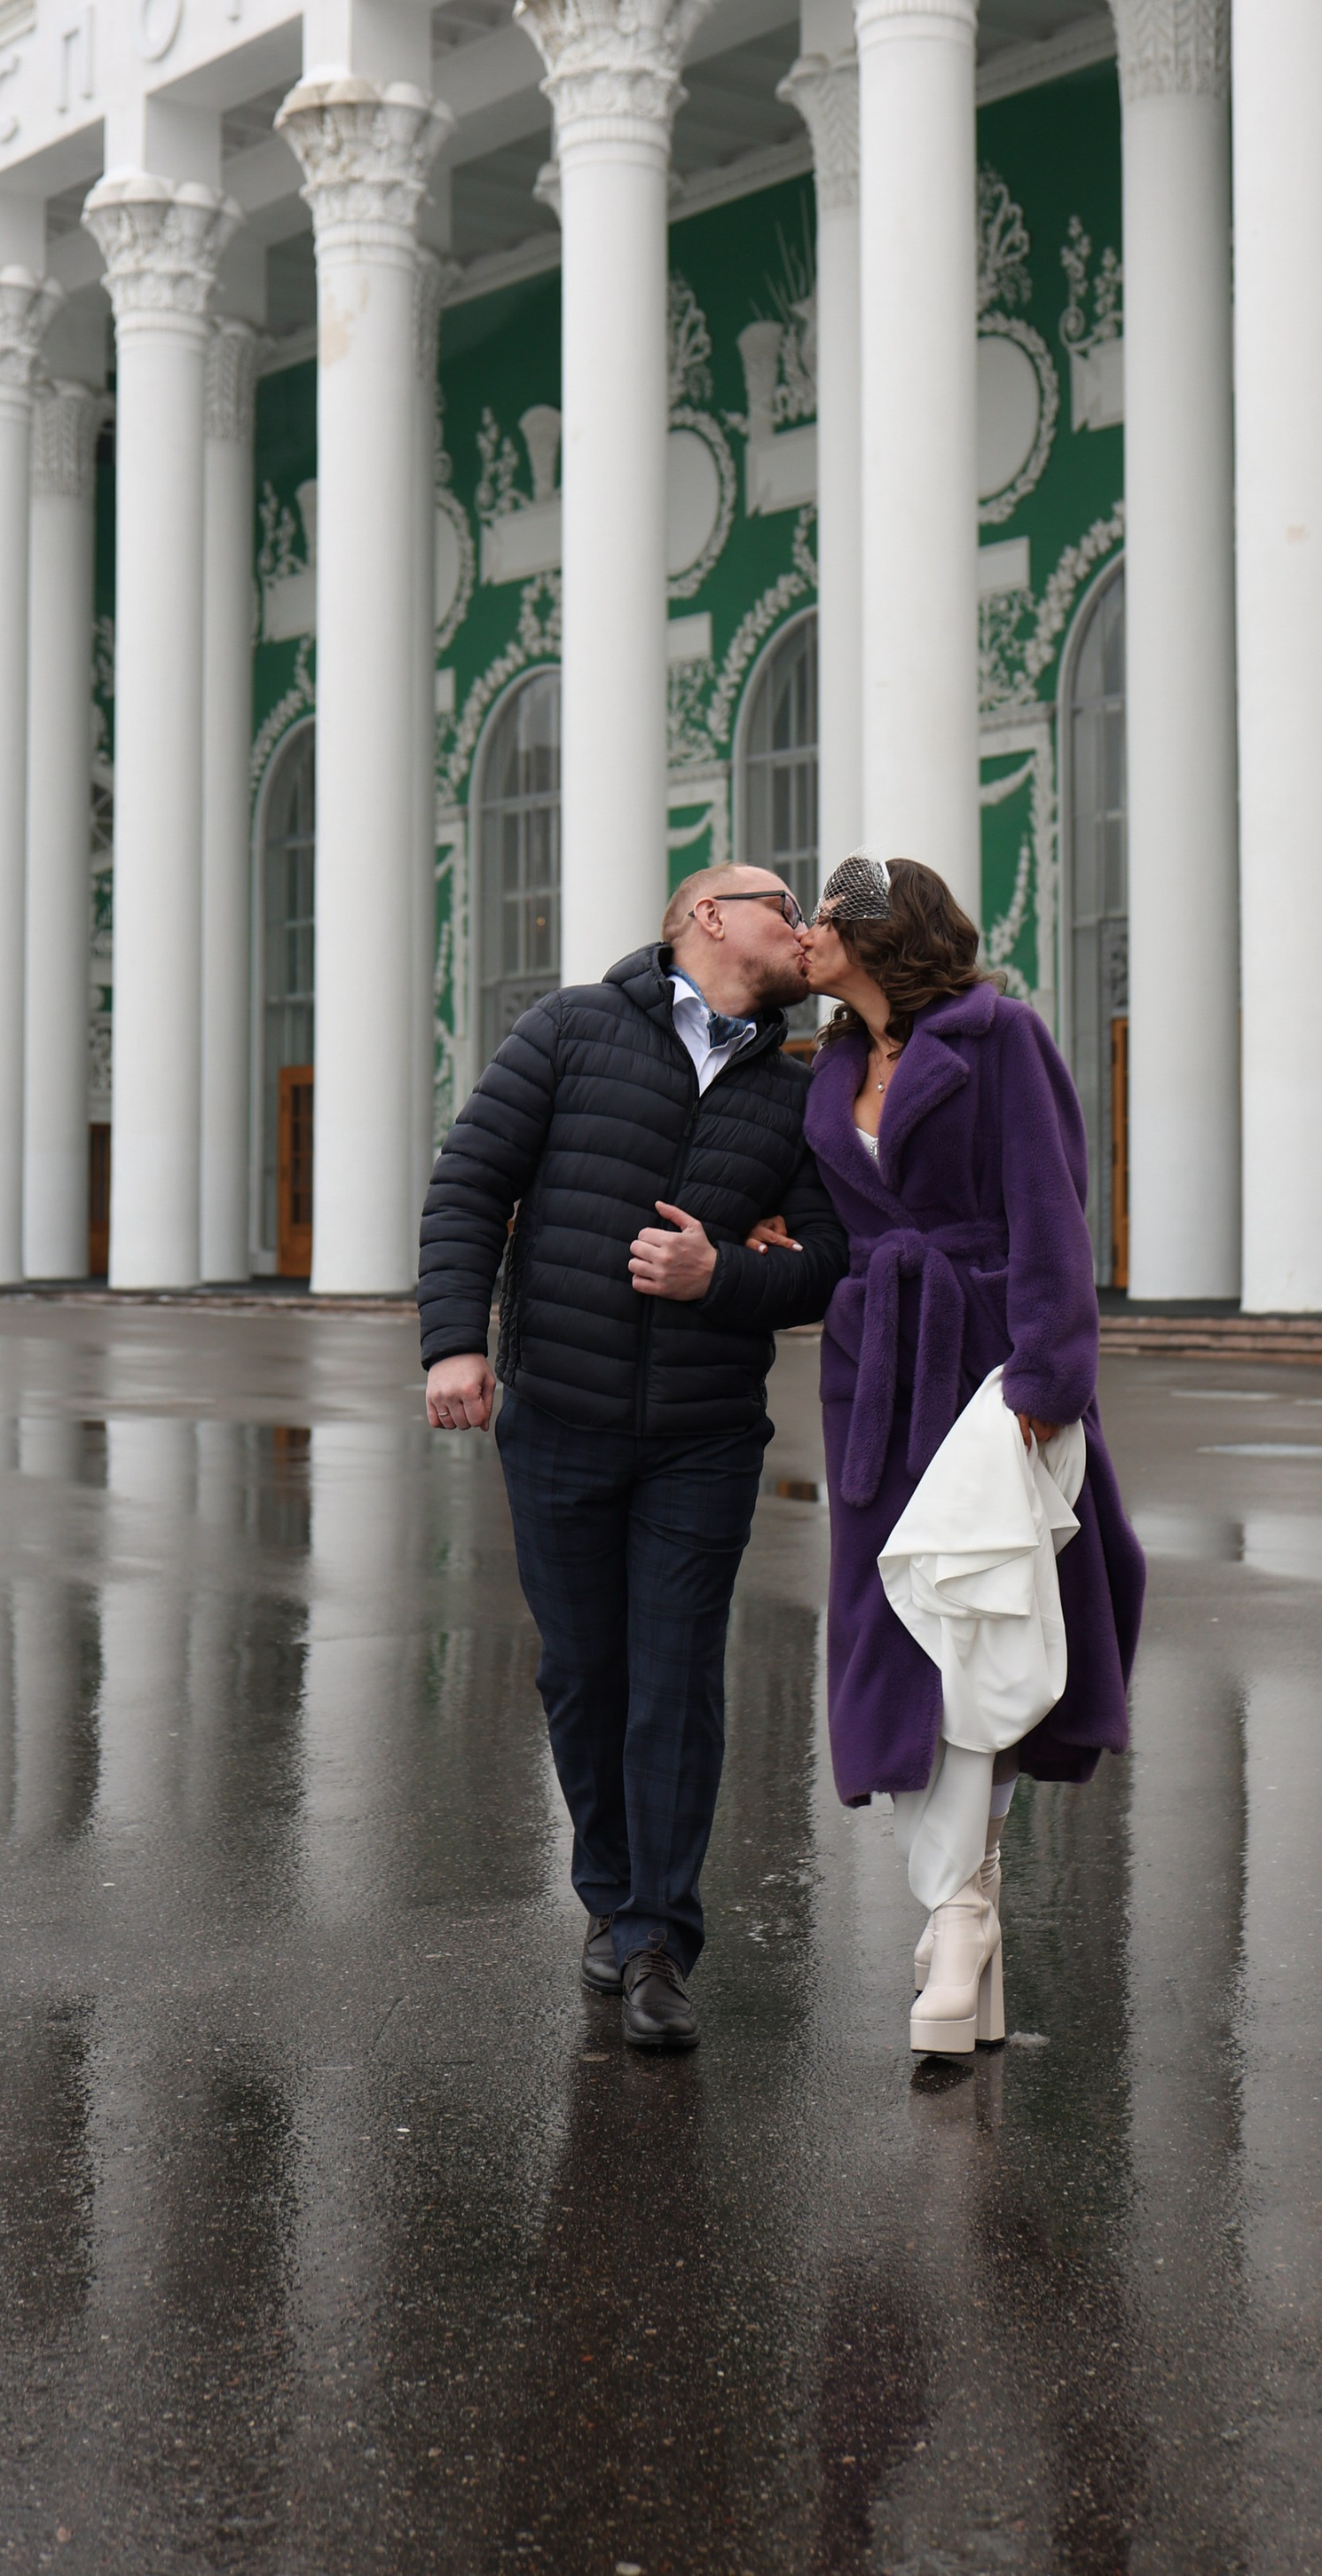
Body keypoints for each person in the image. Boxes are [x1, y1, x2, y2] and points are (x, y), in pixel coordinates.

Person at [417, 868, 848, 2052]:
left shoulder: (796, 1090)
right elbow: (470, 1182)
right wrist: (456, 1342)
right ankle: (609, 1894)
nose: (802, 926)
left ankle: (658, 1937)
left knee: (674, 1679)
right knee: (584, 1673)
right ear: (708, 914)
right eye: (783, 903)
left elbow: (829, 1260)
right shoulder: (572, 1029)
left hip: (704, 1438)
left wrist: (727, 1277)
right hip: (559, 1416)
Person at [763, 853, 1145, 2056]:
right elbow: (829, 1208)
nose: (807, 937)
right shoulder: (827, 1062)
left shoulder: (1000, 1039)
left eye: (827, 919)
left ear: (885, 934)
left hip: (988, 1364)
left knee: (980, 1613)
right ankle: (963, 1918)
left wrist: (1048, 1378)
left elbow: (1052, 1207)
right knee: (901, 1620)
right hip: (874, 1365)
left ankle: (961, 1918)